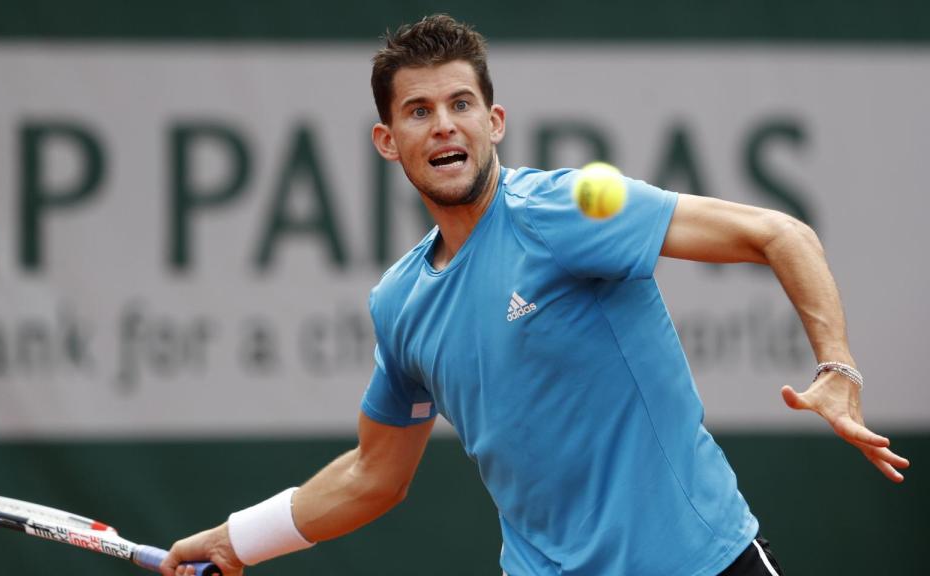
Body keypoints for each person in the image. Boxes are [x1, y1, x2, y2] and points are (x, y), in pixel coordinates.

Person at [161, 14, 909, 576]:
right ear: (389, 140)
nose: (443, 124)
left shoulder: (565, 211)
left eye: (460, 104)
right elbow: (372, 475)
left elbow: (780, 234)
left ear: (494, 124)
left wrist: (837, 369)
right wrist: (236, 541)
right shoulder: (400, 303)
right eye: (418, 111)